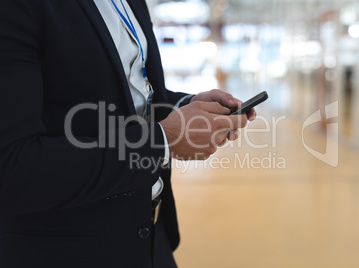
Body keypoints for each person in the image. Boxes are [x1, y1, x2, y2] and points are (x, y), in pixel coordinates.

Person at [0, 0, 255, 267]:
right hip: (68, 250)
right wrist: (162, 141)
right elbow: (11, 168)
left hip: (151, 239)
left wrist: (187, 107)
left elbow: (133, 97)